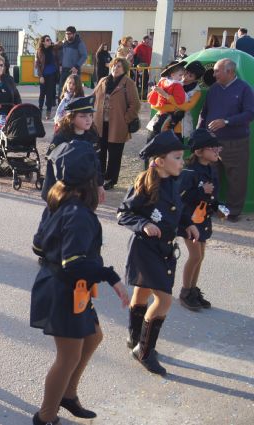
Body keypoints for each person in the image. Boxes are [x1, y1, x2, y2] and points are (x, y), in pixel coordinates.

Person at [31, 140, 128, 425]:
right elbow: (73, 264)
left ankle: (68, 395)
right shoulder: (78, 214)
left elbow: (38, 246)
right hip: (64, 289)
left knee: (94, 336)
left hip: (66, 285)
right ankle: (45, 417)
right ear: (89, 182)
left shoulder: (57, 201)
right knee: (68, 357)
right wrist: (111, 277)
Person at [119, 130, 199, 376]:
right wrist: (143, 224)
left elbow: (179, 210)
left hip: (163, 249)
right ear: (161, 161)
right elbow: (124, 213)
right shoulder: (144, 184)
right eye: (177, 157)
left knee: (142, 292)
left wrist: (187, 224)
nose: (182, 161)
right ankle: (144, 351)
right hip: (145, 250)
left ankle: (136, 340)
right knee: (164, 300)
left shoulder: (175, 181)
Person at [198, 58, 254, 222]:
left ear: (229, 72)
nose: (213, 74)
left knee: (236, 176)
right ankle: (211, 206)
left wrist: (226, 121)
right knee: (211, 175)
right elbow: (204, 112)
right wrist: (199, 134)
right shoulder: (214, 89)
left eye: (217, 71)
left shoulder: (244, 89)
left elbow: (250, 113)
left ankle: (233, 211)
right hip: (212, 141)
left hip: (235, 142)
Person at [178, 129, 224, 311]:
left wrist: (218, 207)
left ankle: (193, 290)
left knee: (201, 256)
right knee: (195, 255)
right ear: (198, 151)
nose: (217, 150)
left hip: (203, 218)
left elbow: (212, 195)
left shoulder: (211, 169)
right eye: (212, 148)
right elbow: (180, 197)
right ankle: (185, 292)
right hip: (188, 220)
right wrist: (200, 191)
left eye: (216, 147)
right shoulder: (189, 172)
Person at [41, 96, 104, 203]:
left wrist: (99, 184)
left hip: (83, 188)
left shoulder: (92, 135)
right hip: (61, 189)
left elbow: (96, 162)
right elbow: (52, 165)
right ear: (71, 118)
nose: (88, 119)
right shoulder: (62, 137)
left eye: (90, 115)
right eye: (83, 116)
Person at [92, 57, 141, 190]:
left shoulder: (128, 83)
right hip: (100, 124)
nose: (115, 68)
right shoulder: (103, 80)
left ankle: (111, 179)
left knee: (115, 154)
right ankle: (99, 177)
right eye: (114, 65)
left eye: (119, 66)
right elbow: (93, 97)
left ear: (124, 69)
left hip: (118, 125)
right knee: (99, 152)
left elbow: (135, 104)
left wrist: (125, 120)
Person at [148, 60, 205, 143]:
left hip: (179, 125)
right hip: (161, 120)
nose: (185, 76)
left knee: (174, 151)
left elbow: (186, 107)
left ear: (196, 79)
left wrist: (167, 96)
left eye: (190, 76)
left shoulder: (196, 91)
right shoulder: (171, 82)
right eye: (185, 72)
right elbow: (154, 103)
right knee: (152, 148)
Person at [146, 61, 186, 136]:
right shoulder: (164, 82)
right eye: (180, 75)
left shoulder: (177, 85)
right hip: (162, 112)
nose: (182, 78)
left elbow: (179, 102)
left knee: (162, 130)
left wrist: (164, 95)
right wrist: (155, 91)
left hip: (171, 114)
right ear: (172, 74)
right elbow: (153, 102)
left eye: (182, 75)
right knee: (157, 130)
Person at [36, 35, 60, 120]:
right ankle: (39, 110)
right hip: (44, 75)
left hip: (52, 74)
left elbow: (60, 44)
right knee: (42, 93)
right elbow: (38, 65)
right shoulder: (39, 51)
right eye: (47, 40)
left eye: (50, 40)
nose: (49, 41)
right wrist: (40, 76)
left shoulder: (53, 49)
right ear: (43, 42)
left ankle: (48, 111)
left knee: (49, 94)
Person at [58, 26, 88, 90]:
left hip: (74, 71)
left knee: (74, 91)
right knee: (62, 90)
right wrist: (60, 65)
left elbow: (84, 56)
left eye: (69, 34)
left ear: (74, 34)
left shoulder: (79, 43)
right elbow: (62, 55)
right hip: (64, 71)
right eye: (66, 34)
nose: (67, 35)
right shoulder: (65, 43)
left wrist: (76, 66)